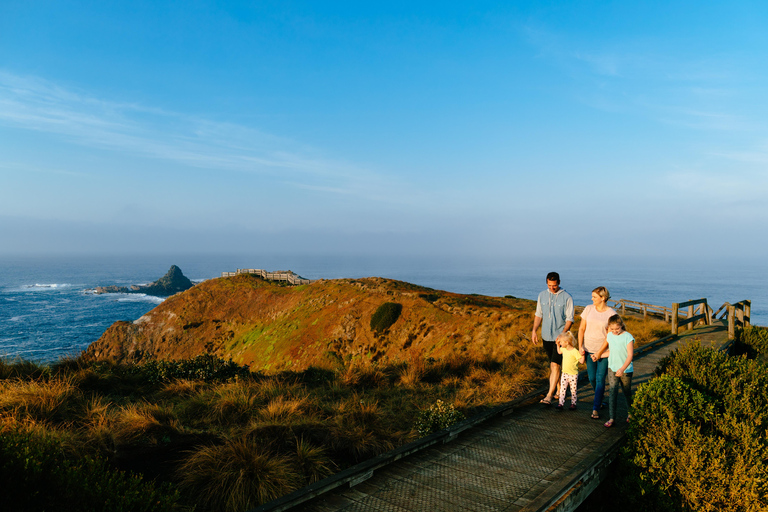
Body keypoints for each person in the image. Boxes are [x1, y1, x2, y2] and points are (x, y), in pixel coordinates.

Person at [531, 272, 574, 405]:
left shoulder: (567, 297)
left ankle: (549, 395)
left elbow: (570, 319)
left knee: (555, 365)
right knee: (553, 365)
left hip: (560, 339)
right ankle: (560, 389)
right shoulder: (542, 295)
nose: (552, 288)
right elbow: (539, 315)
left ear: (559, 282)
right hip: (546, 336)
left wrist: (563, 334)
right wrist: (534, 330)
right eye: (549, 285)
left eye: (554, 285)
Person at [578, 286, 616, 419]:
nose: (591, 299)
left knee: (600, 379)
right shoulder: (588, 309)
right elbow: (581, 329)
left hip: (604, 352)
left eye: (594, 297)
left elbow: (609, 336)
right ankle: (599, 399)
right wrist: (580, 346)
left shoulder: (611, 314)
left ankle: (595, 408)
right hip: (588, 350)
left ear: (603, 298)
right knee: (592, 378)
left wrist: (600, 353)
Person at [594, 314, 634, 428]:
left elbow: (630, 355)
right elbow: (612, 351)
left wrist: (622, 369)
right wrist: (598, 356)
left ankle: (631, 413)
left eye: (617, 329)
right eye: (612, 329)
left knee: (626, 392)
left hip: (625, 370)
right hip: (612, 368)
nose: (615, 331)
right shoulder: (609, 335)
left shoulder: (628, 337)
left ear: (621, 325)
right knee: (612, 392)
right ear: (609, 328)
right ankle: (612, 418)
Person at [555, 331, 584, 410]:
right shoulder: (563, 349)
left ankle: (573, 403)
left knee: (573, 390)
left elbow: (581, 361)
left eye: (561, 342)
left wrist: (583, 354)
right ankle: (561, 403)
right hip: (565, 373)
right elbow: (559, 351)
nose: (560, 343)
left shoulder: (575, 351)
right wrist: (557, 345)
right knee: (562, 389)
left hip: (573, 374)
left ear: (567, 342)